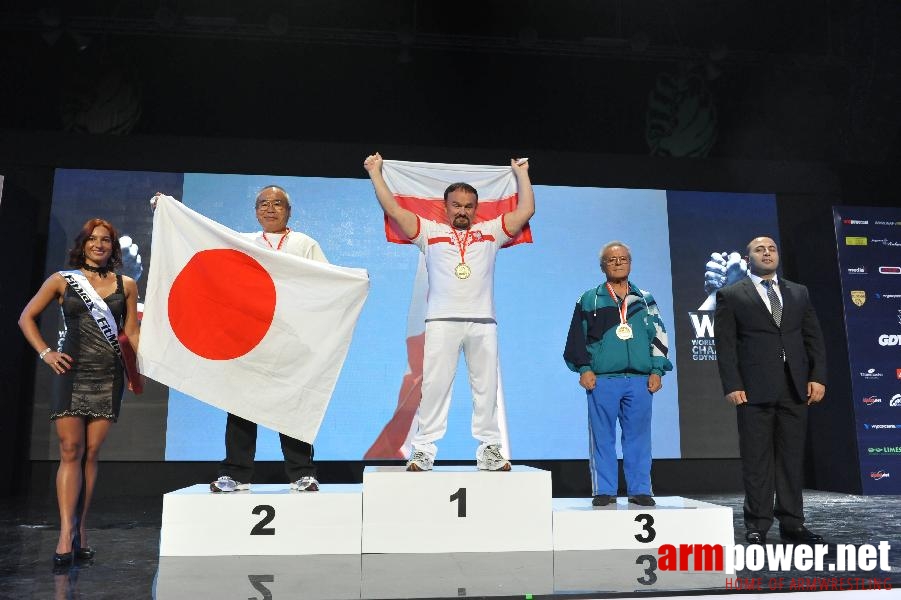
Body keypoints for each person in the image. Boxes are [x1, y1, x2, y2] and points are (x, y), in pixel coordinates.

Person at [363, 152, 535, 471]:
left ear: (475, 209)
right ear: (446, 206)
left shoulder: (492, 232)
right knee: (434, 388)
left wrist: (522, 174)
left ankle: (490, 450)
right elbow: (393, 209)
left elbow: (526, 210)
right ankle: (423, 450)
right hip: (442, 322)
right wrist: (375, 173)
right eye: (456, 205)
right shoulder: (429, 232)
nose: (462, 211)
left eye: (469, 206)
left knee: (487, 390)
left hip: (483, 323)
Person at [152, 185, 327, 493]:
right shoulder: (241, 243)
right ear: (255, 211)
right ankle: (236, 473)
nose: (270, 208)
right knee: (241, 406)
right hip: (250, 340)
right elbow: (201, 243)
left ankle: (302, 472)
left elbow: (326, 284)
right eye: (263, 203)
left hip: (291, 342)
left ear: (289, 211)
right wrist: (168, 213)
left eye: (277, 204)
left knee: (294, 408)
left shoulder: (304, 244)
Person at [18, 218, 140, 567]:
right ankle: (63, 534)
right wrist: (46, 352)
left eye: (106, 240)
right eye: (93, 239)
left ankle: (81, 531)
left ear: (112, 248)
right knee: (70, 449)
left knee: (90, 452)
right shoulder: (62, 280)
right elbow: (27, 317)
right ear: (83, 244)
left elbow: (131, 333)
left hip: (109, 373)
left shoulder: (126, 285)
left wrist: (137, 372)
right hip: (70, 371)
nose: (99, 245)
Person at [714, 236, 827, 545]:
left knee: (791, 459)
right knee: (757, 461)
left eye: (772, 248)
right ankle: (757, 525)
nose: (767, 253)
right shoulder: (731, 294)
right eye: (759, 250)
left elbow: (812, 337)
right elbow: (724, 346)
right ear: (748, 258)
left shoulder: (798, 292)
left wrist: (818, 377)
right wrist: (733, 384)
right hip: (753, 391)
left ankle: (793, 524)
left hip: (794, 389)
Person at [564, 241, 673, 507]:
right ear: (602, 266)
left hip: (639, 380)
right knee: (603, 437)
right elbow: (575, 338)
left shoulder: (645, 300)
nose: (617, 263)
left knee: (639, 438)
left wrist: (657, 370)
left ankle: (640, 489)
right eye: (611, 260)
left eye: (622, 258)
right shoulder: (590, 298)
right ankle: (604, 490)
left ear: (630, 262)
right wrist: (584, 368)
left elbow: (659, 336)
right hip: (603, 380)